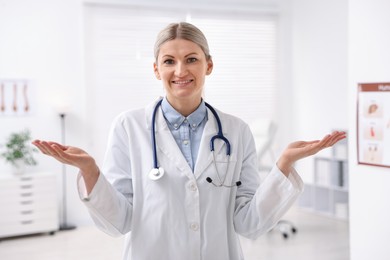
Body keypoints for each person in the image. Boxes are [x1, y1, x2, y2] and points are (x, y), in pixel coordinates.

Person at [32, 22, 346, 260]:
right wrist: (90, 172)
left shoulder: (236, 131)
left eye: (191, 59)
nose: (180, 70)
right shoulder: (129, 127)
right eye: (169, 61)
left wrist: (284, 165)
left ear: (208, 65)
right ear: (156, 69)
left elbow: (248, 223)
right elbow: (120, 222)